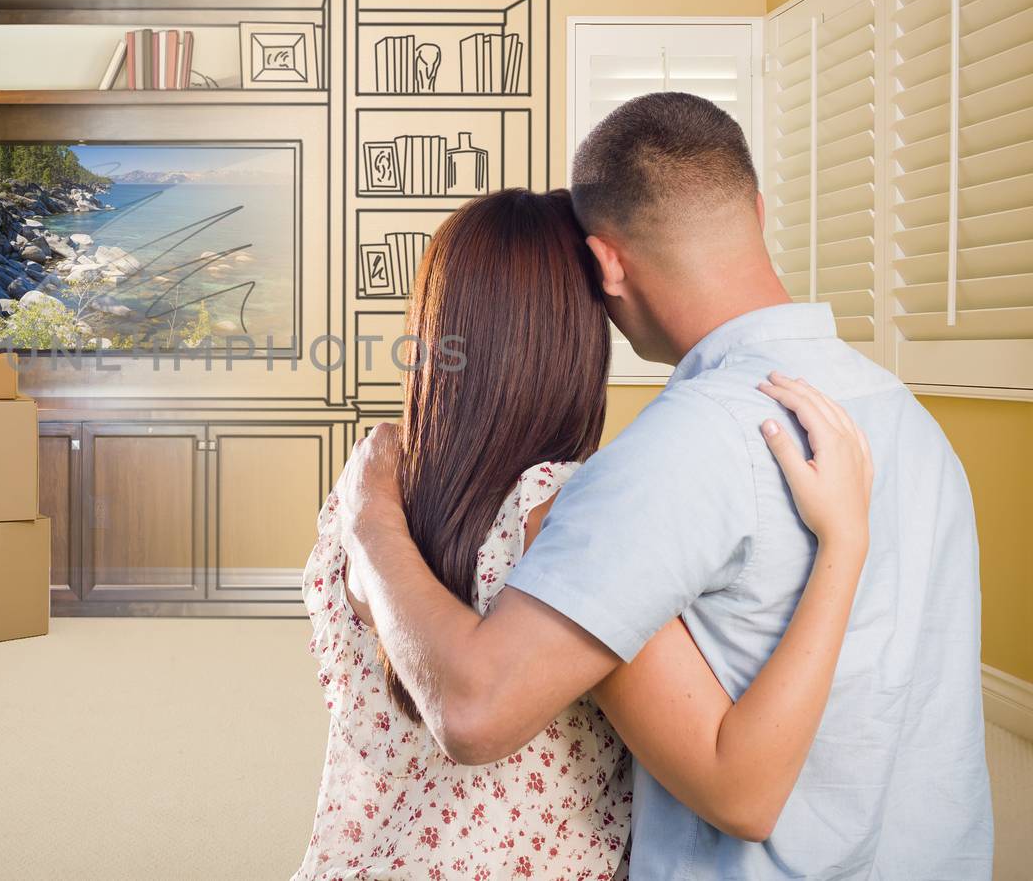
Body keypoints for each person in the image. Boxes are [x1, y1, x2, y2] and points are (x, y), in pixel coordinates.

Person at [334, 93, 992, 878]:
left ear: (606, 262)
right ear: (753, 205)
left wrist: (369, 514)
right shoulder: (905, 417)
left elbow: (474, 711)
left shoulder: (671, 455)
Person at [296, 188, 875, 880]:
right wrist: (845, 542)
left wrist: (368, 518)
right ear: (576, 339)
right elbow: (740, 790)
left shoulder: (364, 489)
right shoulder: (563, 516)